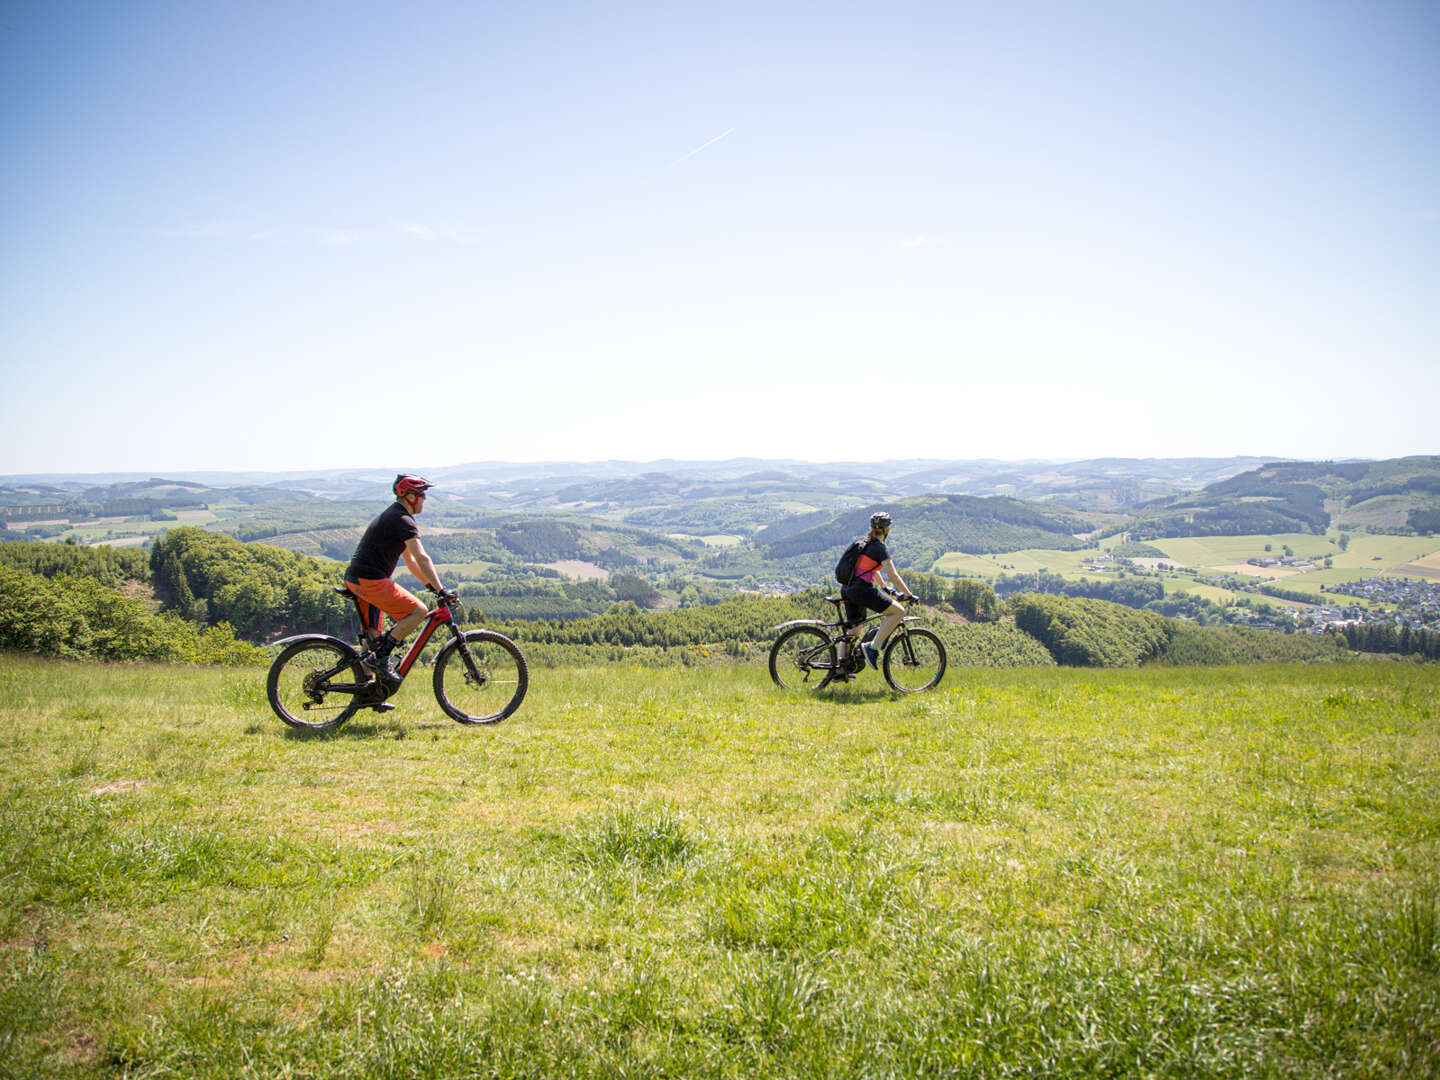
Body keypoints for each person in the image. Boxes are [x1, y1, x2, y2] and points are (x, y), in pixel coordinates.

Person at [344, 474, 454, 684]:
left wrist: (431, 586)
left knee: (373, 637)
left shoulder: (394, 516)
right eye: (421, 494)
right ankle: (383, 657)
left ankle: (368, 692)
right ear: (410, 496)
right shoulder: (403, 520)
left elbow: (411, 562)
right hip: (370, 579)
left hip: (357, 578)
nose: (424, 499)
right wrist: (441, 590)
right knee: (418, 611)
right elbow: (421, 557)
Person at [841, 511, 917, 670]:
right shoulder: (880, 548)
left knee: (853, 629)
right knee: (898, 612)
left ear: (871, 528)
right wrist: (909, 595)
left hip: (847, 589)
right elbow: (894, 575)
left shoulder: (865, 544)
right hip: (861, 590)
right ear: (887, 530)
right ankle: (873, 647)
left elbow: (871, 569)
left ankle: (841, 667)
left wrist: (884, 587)